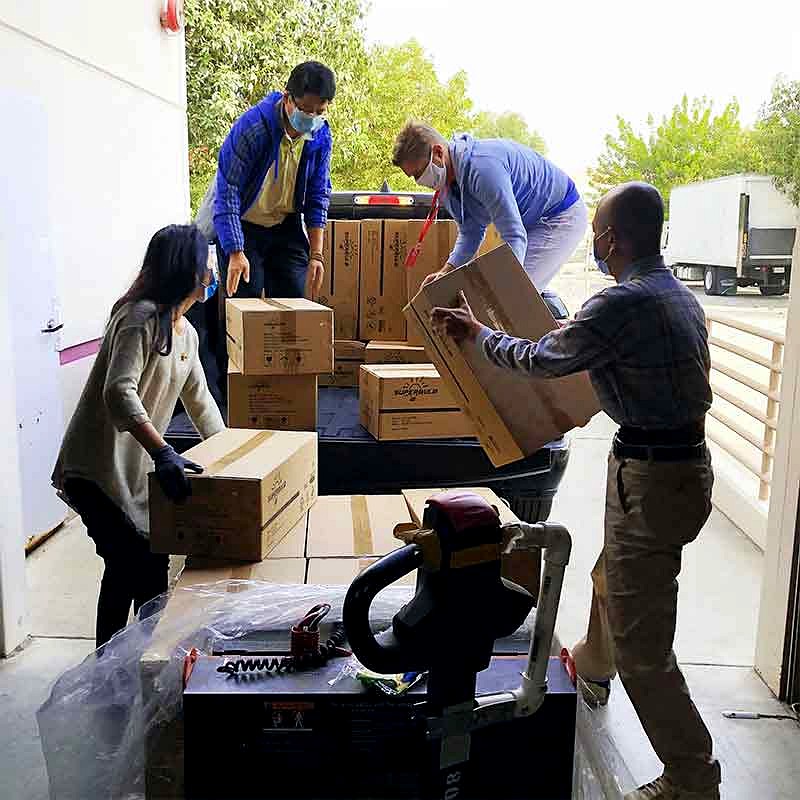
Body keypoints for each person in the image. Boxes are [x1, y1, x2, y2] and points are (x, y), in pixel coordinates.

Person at [430, 183, 721, 800]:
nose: (592, 239)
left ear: (612, 239)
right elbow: (609, 347)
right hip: (680, 470)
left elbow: (541, 361)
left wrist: (476, 334)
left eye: (596, 231)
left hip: (652, 478)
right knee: (612, 577)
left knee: (645, 649)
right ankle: (593, 664)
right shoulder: (675, 295)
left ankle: (692, 777)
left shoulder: (620, 304)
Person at [52, 225, 225, 649]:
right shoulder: (140, 318)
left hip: (132, 473)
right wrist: (163, 451)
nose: (212, 271)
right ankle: (116, 665)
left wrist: (235, 458)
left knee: (145, 567)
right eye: (206, 262)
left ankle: (138, 661)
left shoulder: (186, 333)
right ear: (185, 268)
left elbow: (201, 402)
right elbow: (118, 391)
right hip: (95, 470)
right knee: (131, 565)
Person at [392, 122, 588, 293]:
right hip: (531, 221)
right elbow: (471, 232)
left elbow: (514, 236)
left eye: (419, 172)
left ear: (438, 153)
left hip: (560, 214)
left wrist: (501, 291)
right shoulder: (449, 187)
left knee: (516, 296)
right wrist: (446, 271)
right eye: (413, 177)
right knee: (506, 297)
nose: (419, 181)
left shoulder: (483, 170)